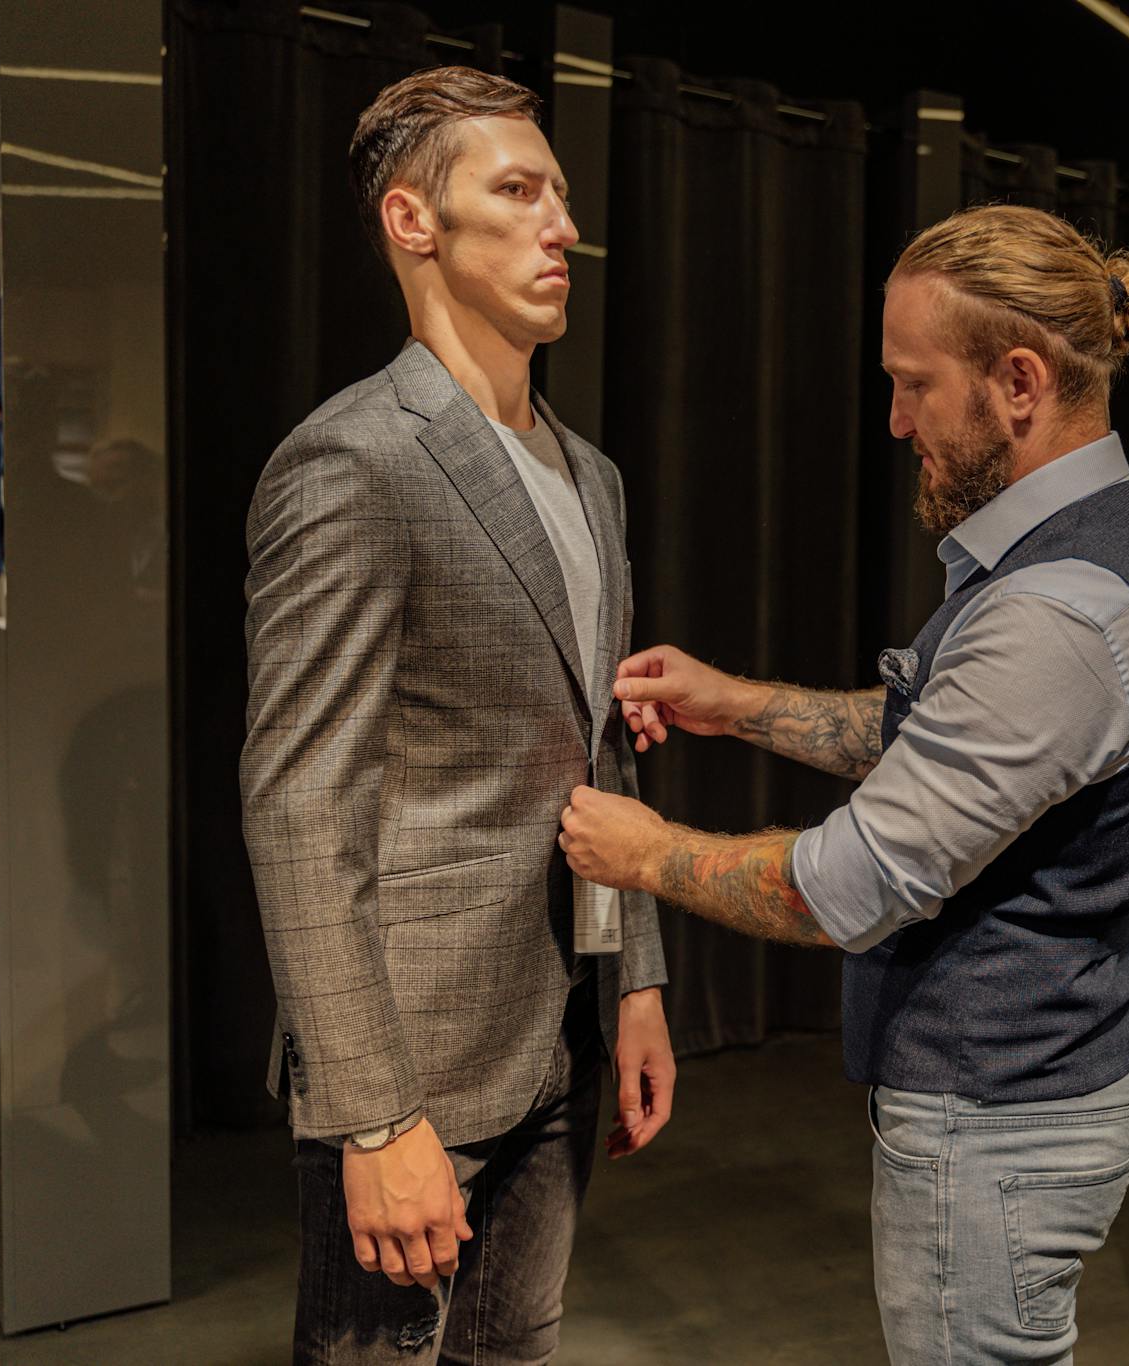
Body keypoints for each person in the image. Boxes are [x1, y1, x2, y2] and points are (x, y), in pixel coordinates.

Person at [557, 204, 1129, 1364]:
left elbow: (843, 885)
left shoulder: (1054, 613)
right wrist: (736, 704)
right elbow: (951, 745)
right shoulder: (1117, 535)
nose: (897, 420)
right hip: (1051, 1084)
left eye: (914, 384)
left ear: (1016, 380)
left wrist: (645, 851)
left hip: (997, 1120)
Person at [240, 67, 673, 1363]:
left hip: (560, 1033)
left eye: (564, 200)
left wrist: (637, 981)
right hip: (412, 1060)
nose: (562, 228)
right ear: (413, 223)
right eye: (520, 191)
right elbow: (300, 801)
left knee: (519, 1347)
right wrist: (372, 1117)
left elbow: (599, 756)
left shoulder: (589, 476)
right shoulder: (353, 460)